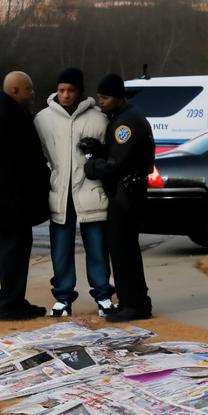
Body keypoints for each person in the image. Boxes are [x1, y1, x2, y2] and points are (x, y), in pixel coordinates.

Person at [34, 67, 115, 318]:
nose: (65, 95)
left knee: (97, 246)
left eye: (70, 90)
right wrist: (51, 175)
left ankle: (103, 296)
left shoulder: (100, 119)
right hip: (60, 192)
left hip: (90, 191)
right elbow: (41, 155)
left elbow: (110, 155)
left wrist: (97, 156)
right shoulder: (42, 119)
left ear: (80, 92)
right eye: (61, 90)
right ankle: (63, 298)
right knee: (60, 247)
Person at [0, 71, 51, 321]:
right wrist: (16, 205)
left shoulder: (6, 112)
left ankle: (14, 300)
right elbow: (1, 166)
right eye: (28, 88)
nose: (33, 92)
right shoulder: (3, 116)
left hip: (10, 204)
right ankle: (10, 305)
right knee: (13, 255)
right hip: (9, 206)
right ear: (14, 91)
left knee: (15, 254)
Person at [82, 73, 155, 321]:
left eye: (104, 97)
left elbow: (118, 163)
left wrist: (94, 166)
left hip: (127, 193)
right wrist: (100, 148)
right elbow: (121, 153)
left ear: (117, 97)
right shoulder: (125, 116)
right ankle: (135, 301)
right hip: (129, 190)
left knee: (122, 248)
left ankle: (133, 304)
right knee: (124, 248)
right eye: (99, 96)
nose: (100, 101)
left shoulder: (126, 122)